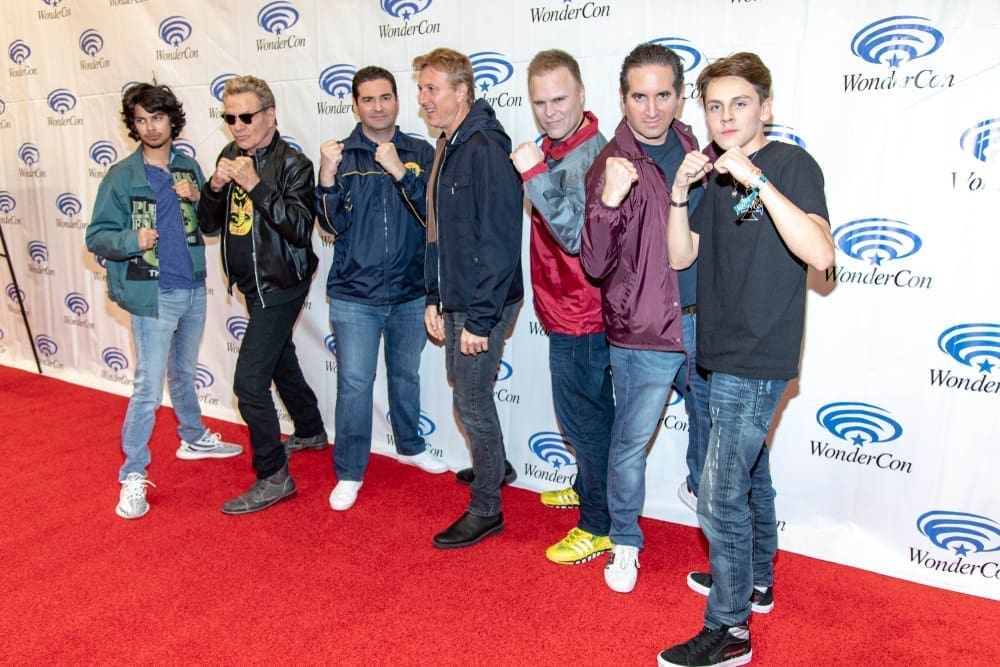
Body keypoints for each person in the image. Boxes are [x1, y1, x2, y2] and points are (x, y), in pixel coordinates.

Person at [657, 52, 834, 667]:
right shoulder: (709, 176)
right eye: (713, 105)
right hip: (713, 348)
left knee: (719, 494)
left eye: (740, 103)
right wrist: (680, 196)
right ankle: (755, 580)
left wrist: (757, 180)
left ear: (767, 107)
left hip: (758, 356)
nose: (725, 116)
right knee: (747, 474)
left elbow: (821, 254)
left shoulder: (791, 163)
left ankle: (729, 629)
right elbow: (682, 259)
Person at [86, 82, 242, 520]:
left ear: (172, 120)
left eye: (157, 117)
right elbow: (96, 236)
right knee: (148, 387)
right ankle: (133, 473)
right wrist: (132, 239)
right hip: (151, 293)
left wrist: (200, 197)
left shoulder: (189, 167)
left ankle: (192, 436)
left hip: (192, 286)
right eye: (141, 119)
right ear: (133, 126)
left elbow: (209, 228)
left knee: (184, 372)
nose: (150, 127)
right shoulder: (121, 175)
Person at [580, 43, 699, 593]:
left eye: (663, 95)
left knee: (719, 429)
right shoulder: (610, 163)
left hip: (700, 321)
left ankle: (706, 499)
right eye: (639, 96)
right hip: (643, 332)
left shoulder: (694, 144)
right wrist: (608, 200)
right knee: (629, 445)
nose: (651, 109)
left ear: (680, 95)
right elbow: (595, 264)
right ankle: (624, 541)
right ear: (623, 98)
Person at [314, 66, 446, 512]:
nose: (377, 106)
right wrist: (327, 178)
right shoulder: (341, 156)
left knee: (405, 376)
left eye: (385, 97)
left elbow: (432, 218)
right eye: (368, 99)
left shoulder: (420, 152)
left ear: (397, 101)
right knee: (354, 384)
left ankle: (410, 445)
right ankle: (349, 470)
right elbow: (331, 226)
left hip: (410, 292)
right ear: (355, 105)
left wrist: (399, 172)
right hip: (355, 295)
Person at [198, 75, 327, 515]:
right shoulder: (228, 156)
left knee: (249, 383)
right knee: (279, 358)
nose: (237, 125)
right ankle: (309, 428)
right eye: (229, 118)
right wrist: (214, 188)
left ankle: (274, 476)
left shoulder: (294, 163)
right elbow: (209, 225)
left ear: (270, 116)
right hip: (250, 284)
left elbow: (296, 228)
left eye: (246, 116)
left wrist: (255, 184)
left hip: (282, 283)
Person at [414, 48, 524, 549]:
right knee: (464, 387)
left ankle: (487, 507)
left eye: (432, 88)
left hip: (485, 299)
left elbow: (500, 245)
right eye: (421, 89)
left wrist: (480, 321)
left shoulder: (482, 147)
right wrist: (435, 296)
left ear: (463, 91)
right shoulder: (451, 144)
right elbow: (441, 233)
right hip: (459, 295)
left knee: (471, 400)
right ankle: (494, 465)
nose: (424, 99)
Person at [508, 49, 614, 565]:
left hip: (583, 313)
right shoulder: (556, 147)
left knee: (583, 421)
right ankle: (588, 485)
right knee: (588, 416)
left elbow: (573, 237)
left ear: (582, 96)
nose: (549, 112)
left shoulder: (591, 154)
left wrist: (532, 174)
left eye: (559, 99)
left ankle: (598, 524)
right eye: (540, 102)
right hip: (564, 307)